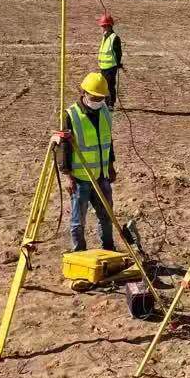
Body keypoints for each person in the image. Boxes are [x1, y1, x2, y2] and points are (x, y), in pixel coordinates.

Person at [61, 72, 117, 251]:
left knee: (106, 217)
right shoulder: (71, 115)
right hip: (81, 179)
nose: (99, 100)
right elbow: (63, 149)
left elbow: (108, 140)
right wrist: (68, 175)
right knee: (78, 221)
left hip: (102, 176)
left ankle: (108, 250)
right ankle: (79, 252)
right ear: (84, 92)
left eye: (101, 97)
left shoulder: (105, 112)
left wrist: (110, 166)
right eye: (95, 97)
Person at [96, 13, 123, 108]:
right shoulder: (105, 37)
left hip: (111, 67)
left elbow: (118, 53)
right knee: (104, 85)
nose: (102, 28)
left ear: (108, 26)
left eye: (103, 26)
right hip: (103, 66)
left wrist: (118, 64)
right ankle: (106, 102)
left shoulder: (115, 38)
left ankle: (111, 103)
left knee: (110, 86)